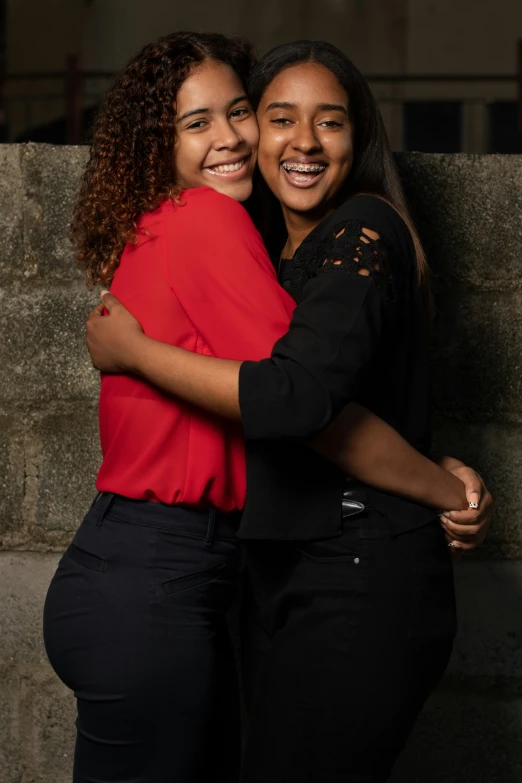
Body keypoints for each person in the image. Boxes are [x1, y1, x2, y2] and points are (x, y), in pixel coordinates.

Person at [86, 39, 493, 783]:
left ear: (358, 138)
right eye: (278, 117)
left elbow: (296, 399)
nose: (302, 141)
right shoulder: (264, 248)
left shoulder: (361, 231)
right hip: (286, 572)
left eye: (329, 122)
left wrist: (136, 352)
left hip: (359, 572)